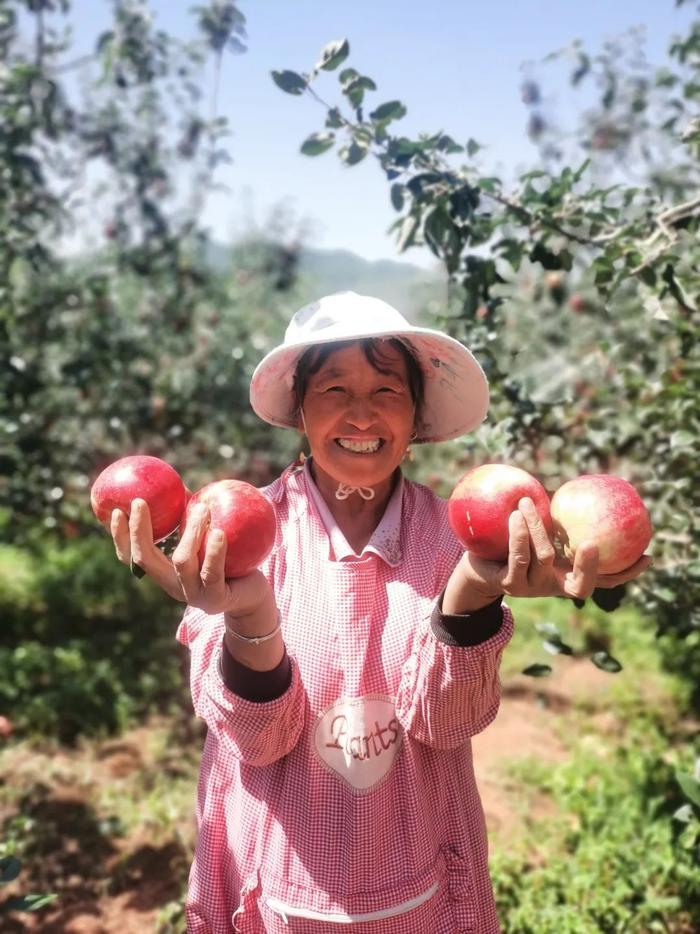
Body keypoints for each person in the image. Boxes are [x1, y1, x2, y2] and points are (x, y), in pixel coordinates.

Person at [110, 291, 650, 933]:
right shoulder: (233, 536)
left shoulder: (462, 539)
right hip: (274, 880)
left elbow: (446, 721)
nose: (360, 414)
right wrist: (249, 611)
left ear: (416, 417)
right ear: (300, 413)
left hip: (420, 881)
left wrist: (474, 591)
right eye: (334, 389)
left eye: (387, 391)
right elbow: (259, 740)